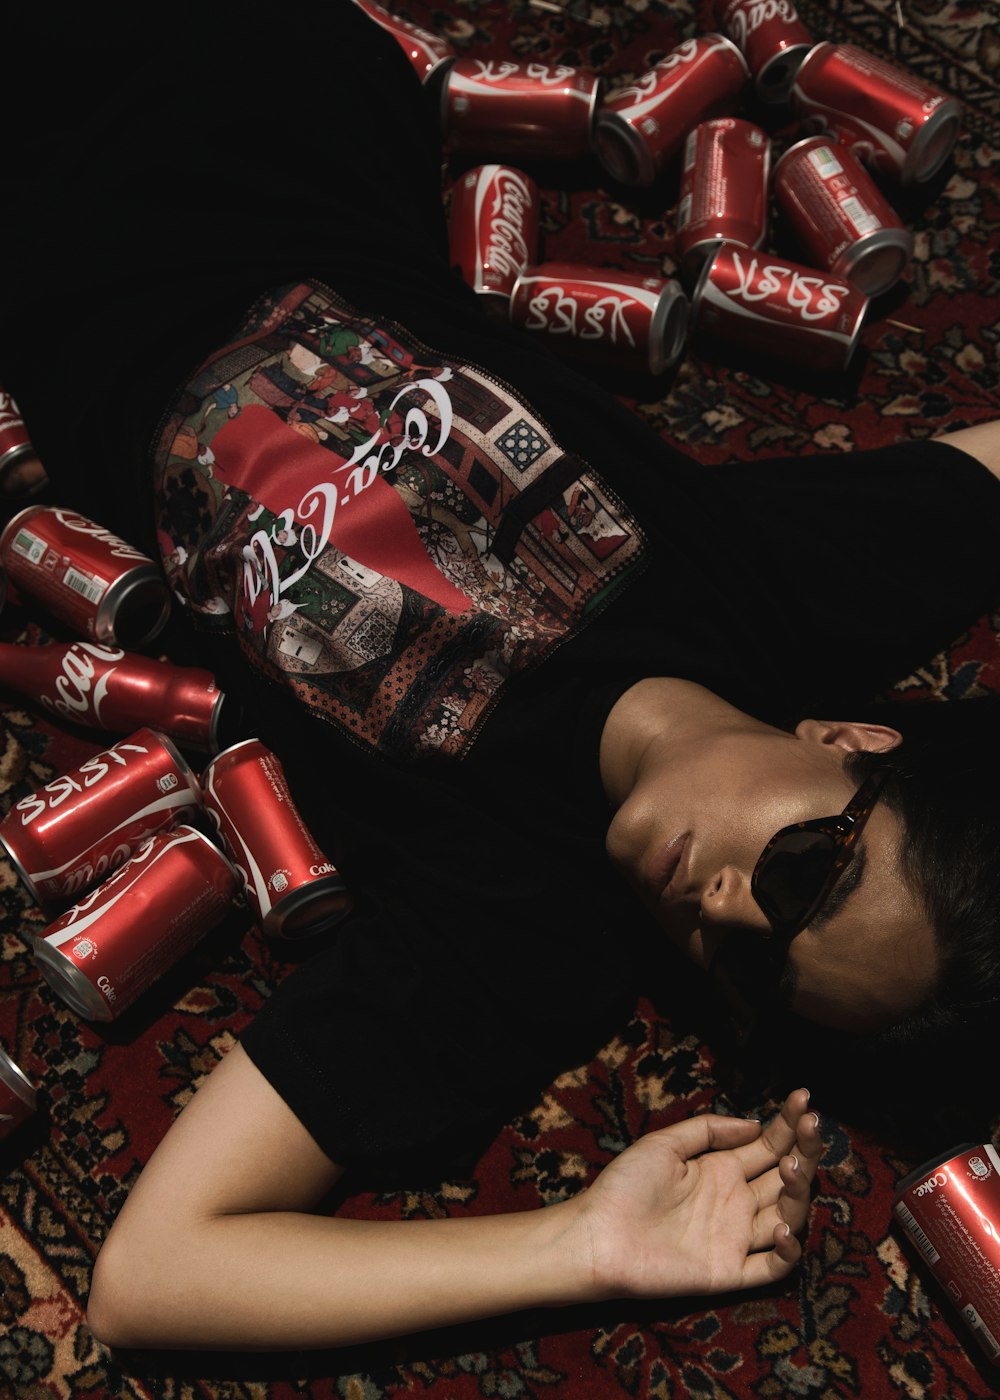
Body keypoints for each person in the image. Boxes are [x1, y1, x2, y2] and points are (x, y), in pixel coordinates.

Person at [2, 3, 1000, 1353]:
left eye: (753, 972)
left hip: (56, 255)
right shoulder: (790, 592)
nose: (717, 913)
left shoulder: (520, 934)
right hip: (274, 91)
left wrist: (580, 1244)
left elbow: (153, 1276)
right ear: (848, 737)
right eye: (802, 874)